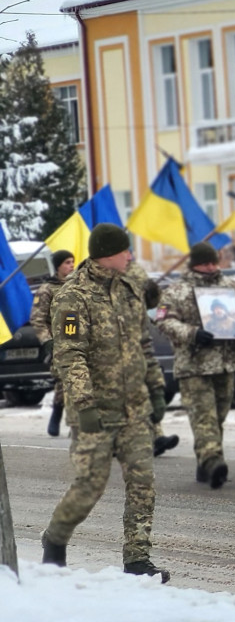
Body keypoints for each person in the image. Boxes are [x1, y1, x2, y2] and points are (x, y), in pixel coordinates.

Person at [41, 223, 170, 582]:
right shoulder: (73, 296)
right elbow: (69, 356)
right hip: (94, 412)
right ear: (108, 254)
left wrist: (157, 389)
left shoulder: (129, 290)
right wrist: (84, 406)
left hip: (134, 409)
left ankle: (137, 560)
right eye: (126, 251)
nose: (131, 256)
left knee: (143, 483)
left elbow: (142, 344)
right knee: (89, 487)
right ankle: (54, 540)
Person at [155, 242, 235, 488]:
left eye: (214, 262)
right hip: (194, 365)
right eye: (205, 263)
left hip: (226, 363)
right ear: (194, 264)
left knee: (218, 417)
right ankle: (213, 461)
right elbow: (163, 320)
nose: (210, 267)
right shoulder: (177, 291)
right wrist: (192, 333)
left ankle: (204, 462)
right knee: (204, 417)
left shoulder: (231, 287)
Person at [126, 259, 180, 459]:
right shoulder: (78, 295)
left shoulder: (134, 307)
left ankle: (156, 438)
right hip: (102, 366)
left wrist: (157, 383)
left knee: (143, 395)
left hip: (132, 359)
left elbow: (145, 345)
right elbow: (71, 335)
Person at [31, 249, 75, 437]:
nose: (71, 266)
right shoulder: (47, 289)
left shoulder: (78, 286)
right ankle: (57, 413)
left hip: (78, 341)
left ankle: (76, 425)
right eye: (67, 262)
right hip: (58, 343)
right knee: (64, 382)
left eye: (73, 262)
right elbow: (37, 319)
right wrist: (48, 342)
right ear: (57, 266)